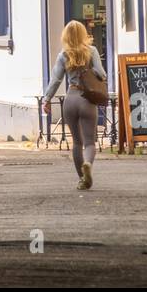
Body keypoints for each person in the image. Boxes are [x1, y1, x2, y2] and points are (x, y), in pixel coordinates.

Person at [42, 20, 107, 190]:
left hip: (70, 99)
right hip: (86, 99)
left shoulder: (63, 55)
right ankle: (88, 164)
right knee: (90, 142)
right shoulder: (91, 51)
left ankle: (82, 179)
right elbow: (101, 74)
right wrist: (90, 70)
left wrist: (47, 99)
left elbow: (55, 79)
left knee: (77, 143)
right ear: (83, 34)